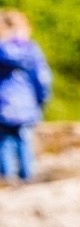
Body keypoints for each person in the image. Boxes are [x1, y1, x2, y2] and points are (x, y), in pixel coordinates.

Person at [0, 10, 51, 182]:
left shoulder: (1, 50)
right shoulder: (31, 50)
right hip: (26, 104)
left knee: (5, 141)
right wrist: (42, 99)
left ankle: (7, 180)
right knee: (23, 140)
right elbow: (43, 79)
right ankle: (27, 179)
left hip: (3, 104)